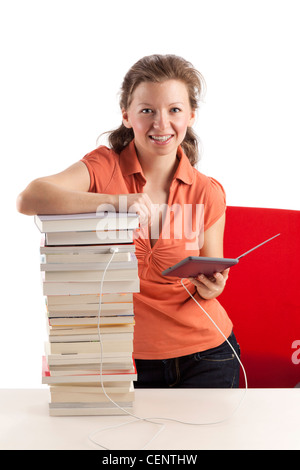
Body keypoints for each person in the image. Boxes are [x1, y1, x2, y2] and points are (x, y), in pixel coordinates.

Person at [17, 54, 240, 388]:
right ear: (127, 115)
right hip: (119, 359)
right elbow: (30, 198)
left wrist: (216, 285)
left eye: (174, 110)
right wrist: (117, 202)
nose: (161, 124)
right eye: (147, 110)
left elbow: (211, 276)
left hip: (208, 355)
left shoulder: (207, 191)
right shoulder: (103, 168)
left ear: (191, 116)